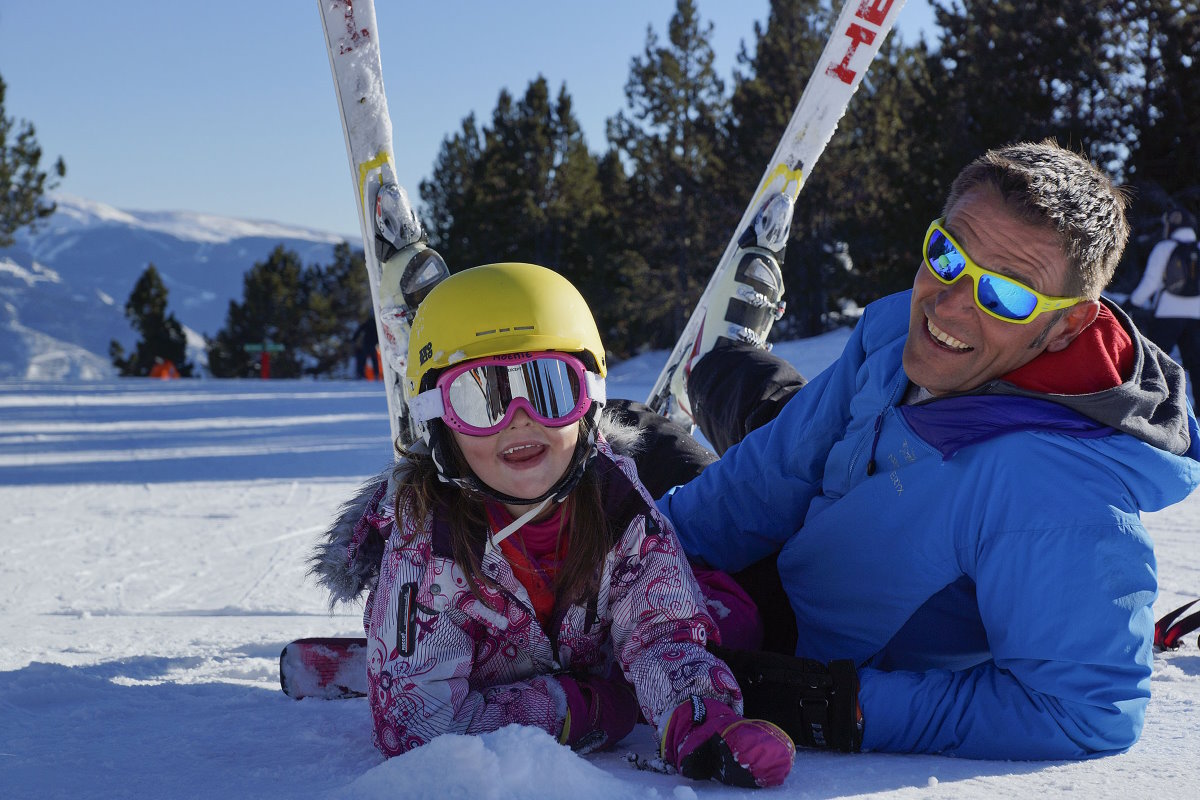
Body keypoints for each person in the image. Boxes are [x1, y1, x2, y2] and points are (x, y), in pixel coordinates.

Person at [635, 140, 1200, 761]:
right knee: (742, 381)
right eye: (947, 254)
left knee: (634, 435)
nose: (950, 303)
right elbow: (776, 469)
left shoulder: (1053, 489)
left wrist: (841, 704)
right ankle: (720, 356)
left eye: (1008, 295)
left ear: (1067, 325)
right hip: (841, 494)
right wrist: (642, 556)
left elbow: (1086, 714)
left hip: (810, 630)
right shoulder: (898, 324)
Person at [310, 262, 795, 788]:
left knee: (737, 615)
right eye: (480, 398)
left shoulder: (618, 506)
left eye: (548, 388)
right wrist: (585, 706)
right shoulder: (430, 548)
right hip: (542, 670)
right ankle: (410, 652)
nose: (520, 417)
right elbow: (419, 727)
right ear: (438, 421)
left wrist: (701, 719)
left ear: (588, 400)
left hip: (590, 647)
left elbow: (663, 634)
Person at [1129, 208, 1199, 392]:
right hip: (1196, 316)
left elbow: (1150, 282)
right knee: (1197, 365)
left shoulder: (1164, 248)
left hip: (1166, 314)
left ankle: (1154, 403)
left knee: (1155, 363)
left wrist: (1132, 303)